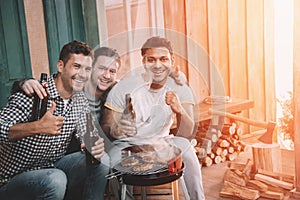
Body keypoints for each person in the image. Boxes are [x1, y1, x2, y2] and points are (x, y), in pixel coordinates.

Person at [0, 40, 109, 200]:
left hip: (51, 167)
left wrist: (93, 144)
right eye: (77, 66)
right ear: (60, 66)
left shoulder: (80, 99)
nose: (83, 75)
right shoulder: (34, 93)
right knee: (55, 179)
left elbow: (88, 134)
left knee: (103, 159)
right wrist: (37, 127)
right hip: (12, 179)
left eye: (87, 69)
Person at [100, 36, 205, 200]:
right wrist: (117, 129)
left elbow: (186, 133)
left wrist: (179, 111)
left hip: (163, 141)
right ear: (143, 61)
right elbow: (106, 125)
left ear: (172, 60)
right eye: (151, 60)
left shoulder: (180, 88)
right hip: (128, 143)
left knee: (187, 149)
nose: (157, 65)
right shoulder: (124, 87)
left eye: (163, 59)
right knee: (110, 159)